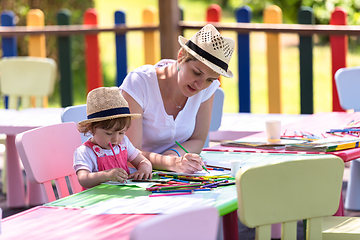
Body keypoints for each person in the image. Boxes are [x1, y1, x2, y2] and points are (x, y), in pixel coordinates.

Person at [119, 24, 235, 174]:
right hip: (134, 178)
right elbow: (129, 153)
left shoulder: (206, 89)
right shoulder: (139, 83)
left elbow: (198, 140)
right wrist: (171, 163)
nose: (200, 85)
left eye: (209, 80)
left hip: (175, 175)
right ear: (181, 56)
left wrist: (173, 155)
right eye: (196, 73)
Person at [73, 87, 152, 189]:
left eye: (121, 132)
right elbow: (83, 179)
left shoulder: (123, 144)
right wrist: (106, 175)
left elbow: (144, 162)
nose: (116, 139)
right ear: (91, 128)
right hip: (97, 200)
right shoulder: (85, 152)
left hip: (123, 197)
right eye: (109, 133)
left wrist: (144, 170)